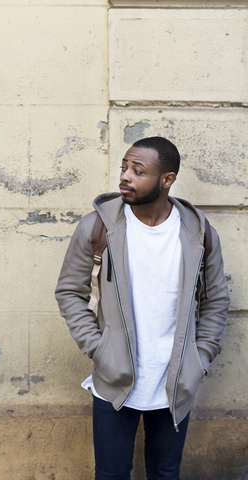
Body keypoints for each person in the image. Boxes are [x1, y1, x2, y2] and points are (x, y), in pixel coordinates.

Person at [55, 136, 230, 480]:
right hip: (113, 378)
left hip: (176, 380)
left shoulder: (198, 232)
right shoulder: (97, 227)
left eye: (138, 170)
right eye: (124, 167)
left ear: (167, 180)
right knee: (111, 473)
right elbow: (69, 292)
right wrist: (98, 348)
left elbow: (216, 301)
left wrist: (201, 357)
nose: (125, 176)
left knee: (166, 472)